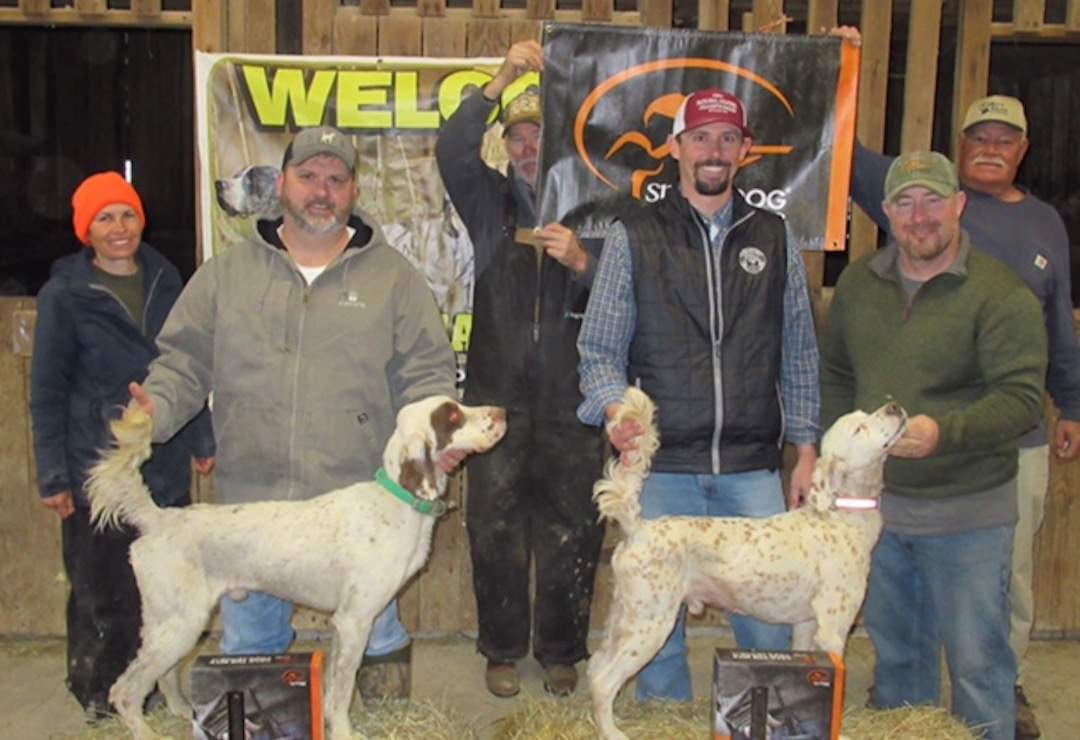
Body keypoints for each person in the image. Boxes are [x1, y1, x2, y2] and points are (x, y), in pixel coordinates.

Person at [128, 126, 459, 702]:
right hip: (252, 508)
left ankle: (379, 723)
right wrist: (152, 412)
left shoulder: (394, 280)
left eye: (336, 179)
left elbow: (428, 375)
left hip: (360, 514)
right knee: (252, 650)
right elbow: (183, 362)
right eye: (308, 176)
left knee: (378, 642)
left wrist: (438, 441)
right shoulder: (227, 274)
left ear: (354, 191)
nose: (321, 191)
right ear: (281, 184)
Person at [577, 87, 821, 702]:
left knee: (767, 630)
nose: (715, 150)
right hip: (665, 470)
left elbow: (798, 350)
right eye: (702, 137)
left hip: (751, 472)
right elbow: (599, 350)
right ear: (675, 147)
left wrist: (807, 449)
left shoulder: (774, 236)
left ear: (744, 151)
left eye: (728, 138)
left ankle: (764, 724)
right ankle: (664, 722)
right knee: (656, 637)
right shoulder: (634, 234)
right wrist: (614, 409)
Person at [851, 95, 1080, 739]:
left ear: (1022, 149)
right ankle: (909, 706)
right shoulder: (878, 266)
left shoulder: (1035, 236)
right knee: (905, 620)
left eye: (1004, 139)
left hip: (1003, 456)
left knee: (997, 599)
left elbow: (1055, 326)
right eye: (979, 137)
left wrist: (1072, 403)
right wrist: (834, 74)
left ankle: (1003, 692)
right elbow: (847, 158)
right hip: (901, 480)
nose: (990, 147)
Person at [434, 40, 606, 698]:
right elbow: (452, 150)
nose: (529, 148)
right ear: (505, 145)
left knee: (573, 527)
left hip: (573, 399)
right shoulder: (489, 201)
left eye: (540, 137)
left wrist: (583, 263)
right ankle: (502, 649)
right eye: (518, 138)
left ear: (561, 144)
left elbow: (622, 296)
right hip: (496, 399)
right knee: (494, 526)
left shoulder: (593, 209)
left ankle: (561, 651)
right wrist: (502, 77)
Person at [29, 172, 215, 722]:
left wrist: (200, 437)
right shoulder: (64, 295)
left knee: (164, 588)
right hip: (98, 468)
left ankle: (150, 689)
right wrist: (54, 476)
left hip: (161, 462)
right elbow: (47, 392)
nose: (119, 227)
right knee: (103, 589)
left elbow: (186, 367)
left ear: (141, 220)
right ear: (86, 230)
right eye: (104, 218)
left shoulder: (166, 278)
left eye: (127, 214)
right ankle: (100, 698)